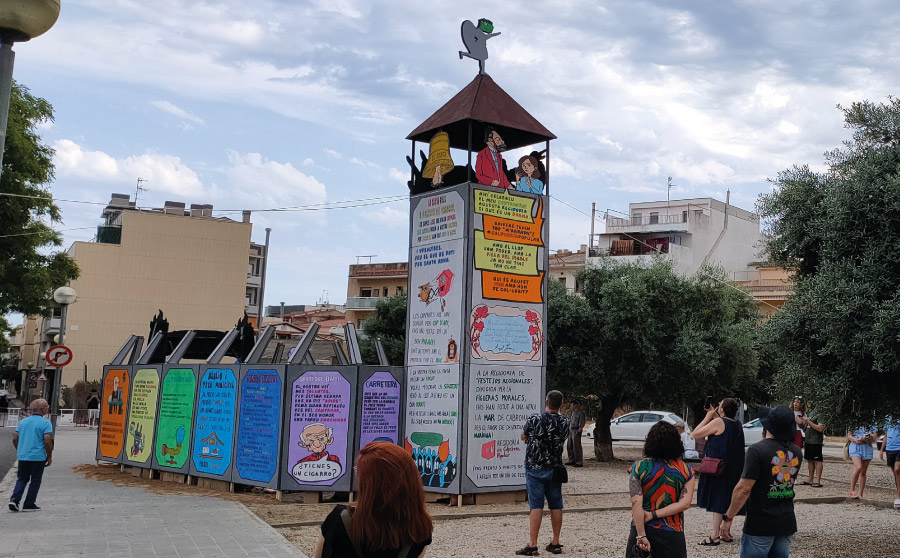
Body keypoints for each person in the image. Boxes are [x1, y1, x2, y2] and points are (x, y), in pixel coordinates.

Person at [313, 442, 433, 558]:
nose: (357, 476)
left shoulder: (340, 520)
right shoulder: (420, 527)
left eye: (359, 471)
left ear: (371, 483)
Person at [720, 406, 802, 558]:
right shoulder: (796, 451)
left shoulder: (756, 450)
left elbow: (744, 488)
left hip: (760, 522)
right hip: (786, 520)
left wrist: (728, 516)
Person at [626, 422, 696, 558]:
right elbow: (685, 503)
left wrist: (641, 534)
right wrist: (653, 514)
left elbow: (636, 503)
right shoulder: (686, 471)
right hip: (672, 530)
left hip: (642, 527)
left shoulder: (639, 467)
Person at [517, 390, 570, 556]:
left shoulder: (535, 419)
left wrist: (531, 438)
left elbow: (523, 436)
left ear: (546, 402)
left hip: (535, 468)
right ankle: (555, 542)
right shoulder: (565, 422)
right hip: (555, 468)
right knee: (556, 504)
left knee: (536, 506)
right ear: (560, 403)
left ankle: (533, 544)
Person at [691, 397, 745, 546]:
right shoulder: (737, 424)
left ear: (721, 409)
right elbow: (723, 427)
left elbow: (695, 434)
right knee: (728, 498)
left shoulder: (717, 422)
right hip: (733, 467)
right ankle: (725, 530)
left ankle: (714, 535)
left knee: (718, 500)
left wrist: (707, 417)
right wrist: (714, 416)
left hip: (718, 468)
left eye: (719, 405)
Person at [8, 398, 53, 512]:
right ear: (42, 409)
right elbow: (47, 440)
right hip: (38, 457)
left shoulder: (23, 422)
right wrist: (49, 455)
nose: (48, 409)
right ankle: (29, 503)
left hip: (24, 456)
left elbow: (15, 438)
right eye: (47, 407)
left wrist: (20, 449)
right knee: (35, 480)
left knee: (22, 479)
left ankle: (14, 500)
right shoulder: (46, 423)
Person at [847, 424, 876, 498]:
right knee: (858, 467)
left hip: (867, 448)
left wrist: (868, 438)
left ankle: (860, 493)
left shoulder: (872, 422)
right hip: (855, 447)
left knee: (863, 471)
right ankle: (852, 491)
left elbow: (874, 438)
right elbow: (849, 435)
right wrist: (855, 439)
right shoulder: (854, 421)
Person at [798, 406, 825, 487]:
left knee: (818, 460)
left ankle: (818, 481)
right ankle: (810, 479)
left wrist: (808, 422)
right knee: (809, 460)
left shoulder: (821, 414)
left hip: (816, 441)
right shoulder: (810, 413)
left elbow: (820, 428)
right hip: (808, 440)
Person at [879, 417, 900, 509]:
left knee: (897, 469)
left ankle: (899, 497)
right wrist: (881, 450)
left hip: (899, 448)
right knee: (896, 474)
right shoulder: (888, 419)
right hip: (890, 449)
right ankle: (898, 494)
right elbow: (886, 435)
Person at [565, 399, 585, 467]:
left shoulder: (580, 413)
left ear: (576, 405)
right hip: (571, 430)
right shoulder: (573, 413)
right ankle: (571, 460)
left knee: (576, 446)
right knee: (569, 445)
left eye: (572, 405)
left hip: (576, 430)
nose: (571, 406)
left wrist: (580, 429)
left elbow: (582, 422)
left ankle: (579, 462)